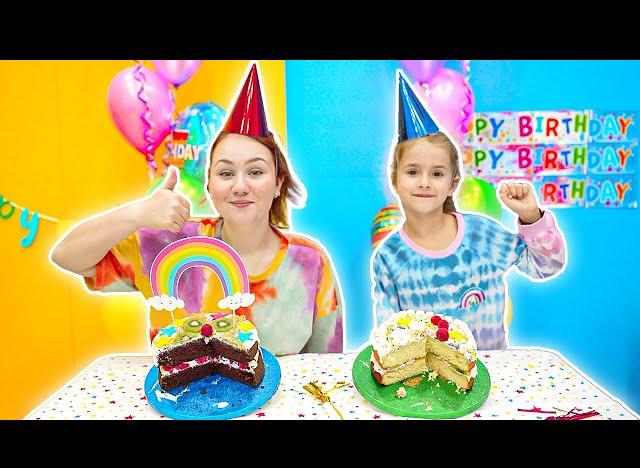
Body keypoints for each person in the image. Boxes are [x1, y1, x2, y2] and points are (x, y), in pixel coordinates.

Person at [50, 63, 344, 356]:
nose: (240, 186)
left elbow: (325, 367)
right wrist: (136, 213)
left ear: (278, 182)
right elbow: (67, 256)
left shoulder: (309, 261)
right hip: (177, 400)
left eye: (255, 172)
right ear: (209, 186)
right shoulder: (170, 244)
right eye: (226, 174)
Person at [371, 71, 566, 349]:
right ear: (395, 180)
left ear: (453, 183)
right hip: (425, 384)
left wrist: (531, 216)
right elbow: (388, 335)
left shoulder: (481, 235)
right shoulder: (389, 258)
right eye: (413, 171)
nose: (425, 182)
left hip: (490, 378)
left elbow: (546, 266)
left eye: (437, 174)